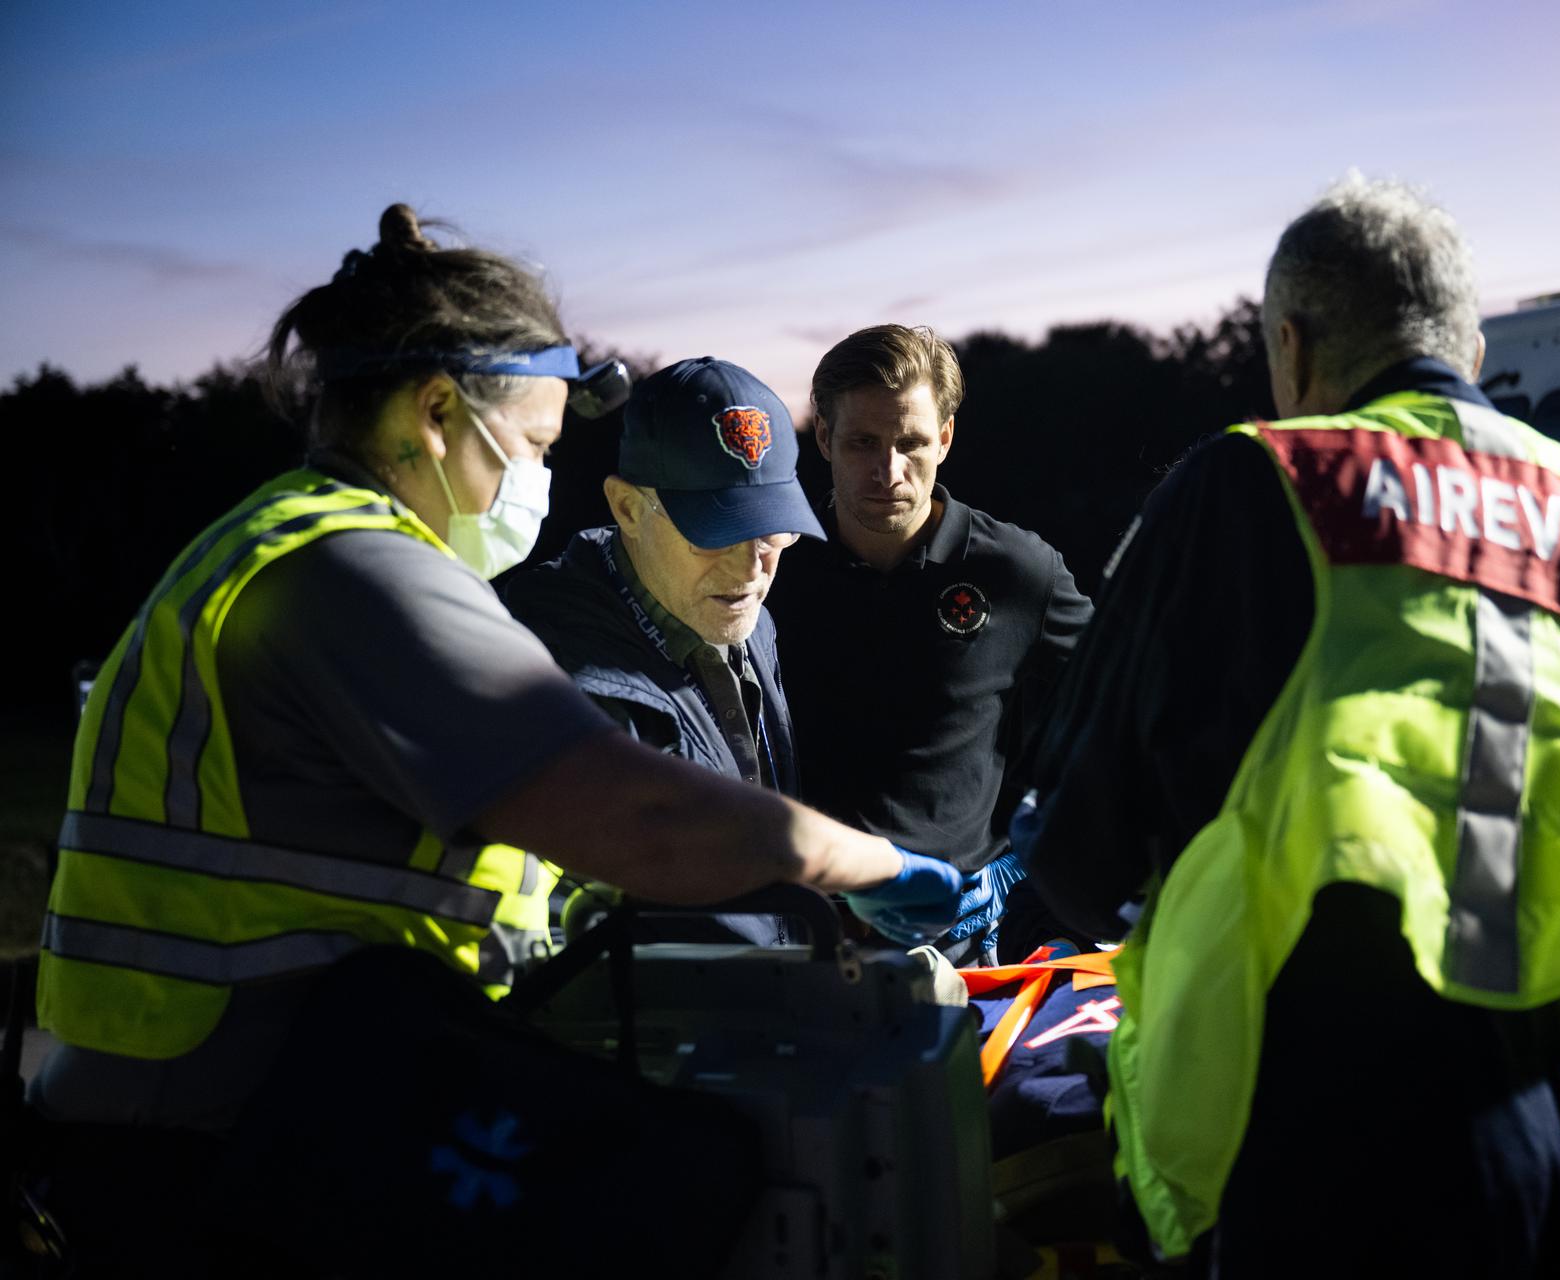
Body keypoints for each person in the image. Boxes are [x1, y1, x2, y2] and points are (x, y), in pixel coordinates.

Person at [30, 206, 962, 1274]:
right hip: (217, 1152)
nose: (539, 483)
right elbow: (644, 818)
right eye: (531, 445)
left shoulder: (288, 540)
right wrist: (877, 864)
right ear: (437, 412)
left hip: (237, 1114)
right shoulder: (352, 571)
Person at [1017, 177, 1560, 1276]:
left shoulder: (1260, 481)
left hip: (1329, 1140)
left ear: (1289, 344)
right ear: (1470, 349)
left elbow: (1083, 852)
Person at [771, 324, 1093, 962]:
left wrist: (1026, 869)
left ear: (944, 438)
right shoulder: (769, 566)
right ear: (825, 438)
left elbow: (1120, 716)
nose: (887, 470)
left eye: (911, 443)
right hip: (794, 934)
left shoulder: (1019, 571)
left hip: (963, 943)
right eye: (863, 442)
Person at [506, 356, 823, 944]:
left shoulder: (750, 622)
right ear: (627, 507)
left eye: (774, 530)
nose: (751, 567)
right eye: (717, 532)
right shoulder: (539, 659)